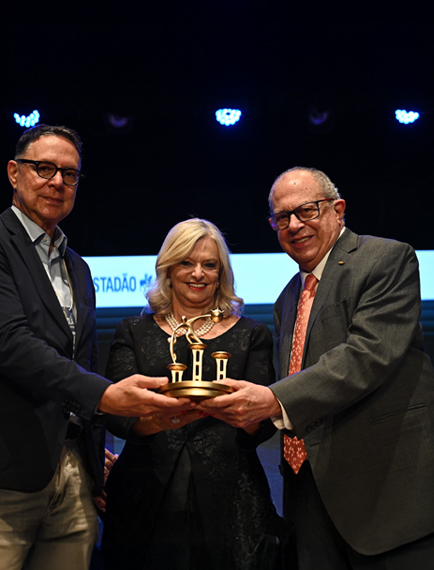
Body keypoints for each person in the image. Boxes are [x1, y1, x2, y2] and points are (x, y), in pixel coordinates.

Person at [0, 124, 194, 570]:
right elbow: (11, 346)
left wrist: (91, 456)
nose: (57, 182)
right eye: (44, 168)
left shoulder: (79, 267)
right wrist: (108, 395)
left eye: (69, 174)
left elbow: (79, 362)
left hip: (72, 475)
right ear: (14, 173)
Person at [200, 167, 434, 569]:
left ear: (338, 210)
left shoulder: (385, 258)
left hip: (396, 489)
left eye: (306, 211)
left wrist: (273, 399)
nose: (294, 225)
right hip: (313, 499)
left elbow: (368, 355)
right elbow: (301, 385)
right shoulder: (288, 297)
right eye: (281, 218)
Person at [101, 218, 289, 570]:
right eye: (186, 262)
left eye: (209, 264)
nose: (198, 273)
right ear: (168, 269)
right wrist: (156, 420)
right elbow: (115, 414)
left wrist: (242, 414)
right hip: (145, 494)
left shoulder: (252, 335)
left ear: (221, 273)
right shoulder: (133, 332)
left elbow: (262, 427)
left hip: (233, 500)